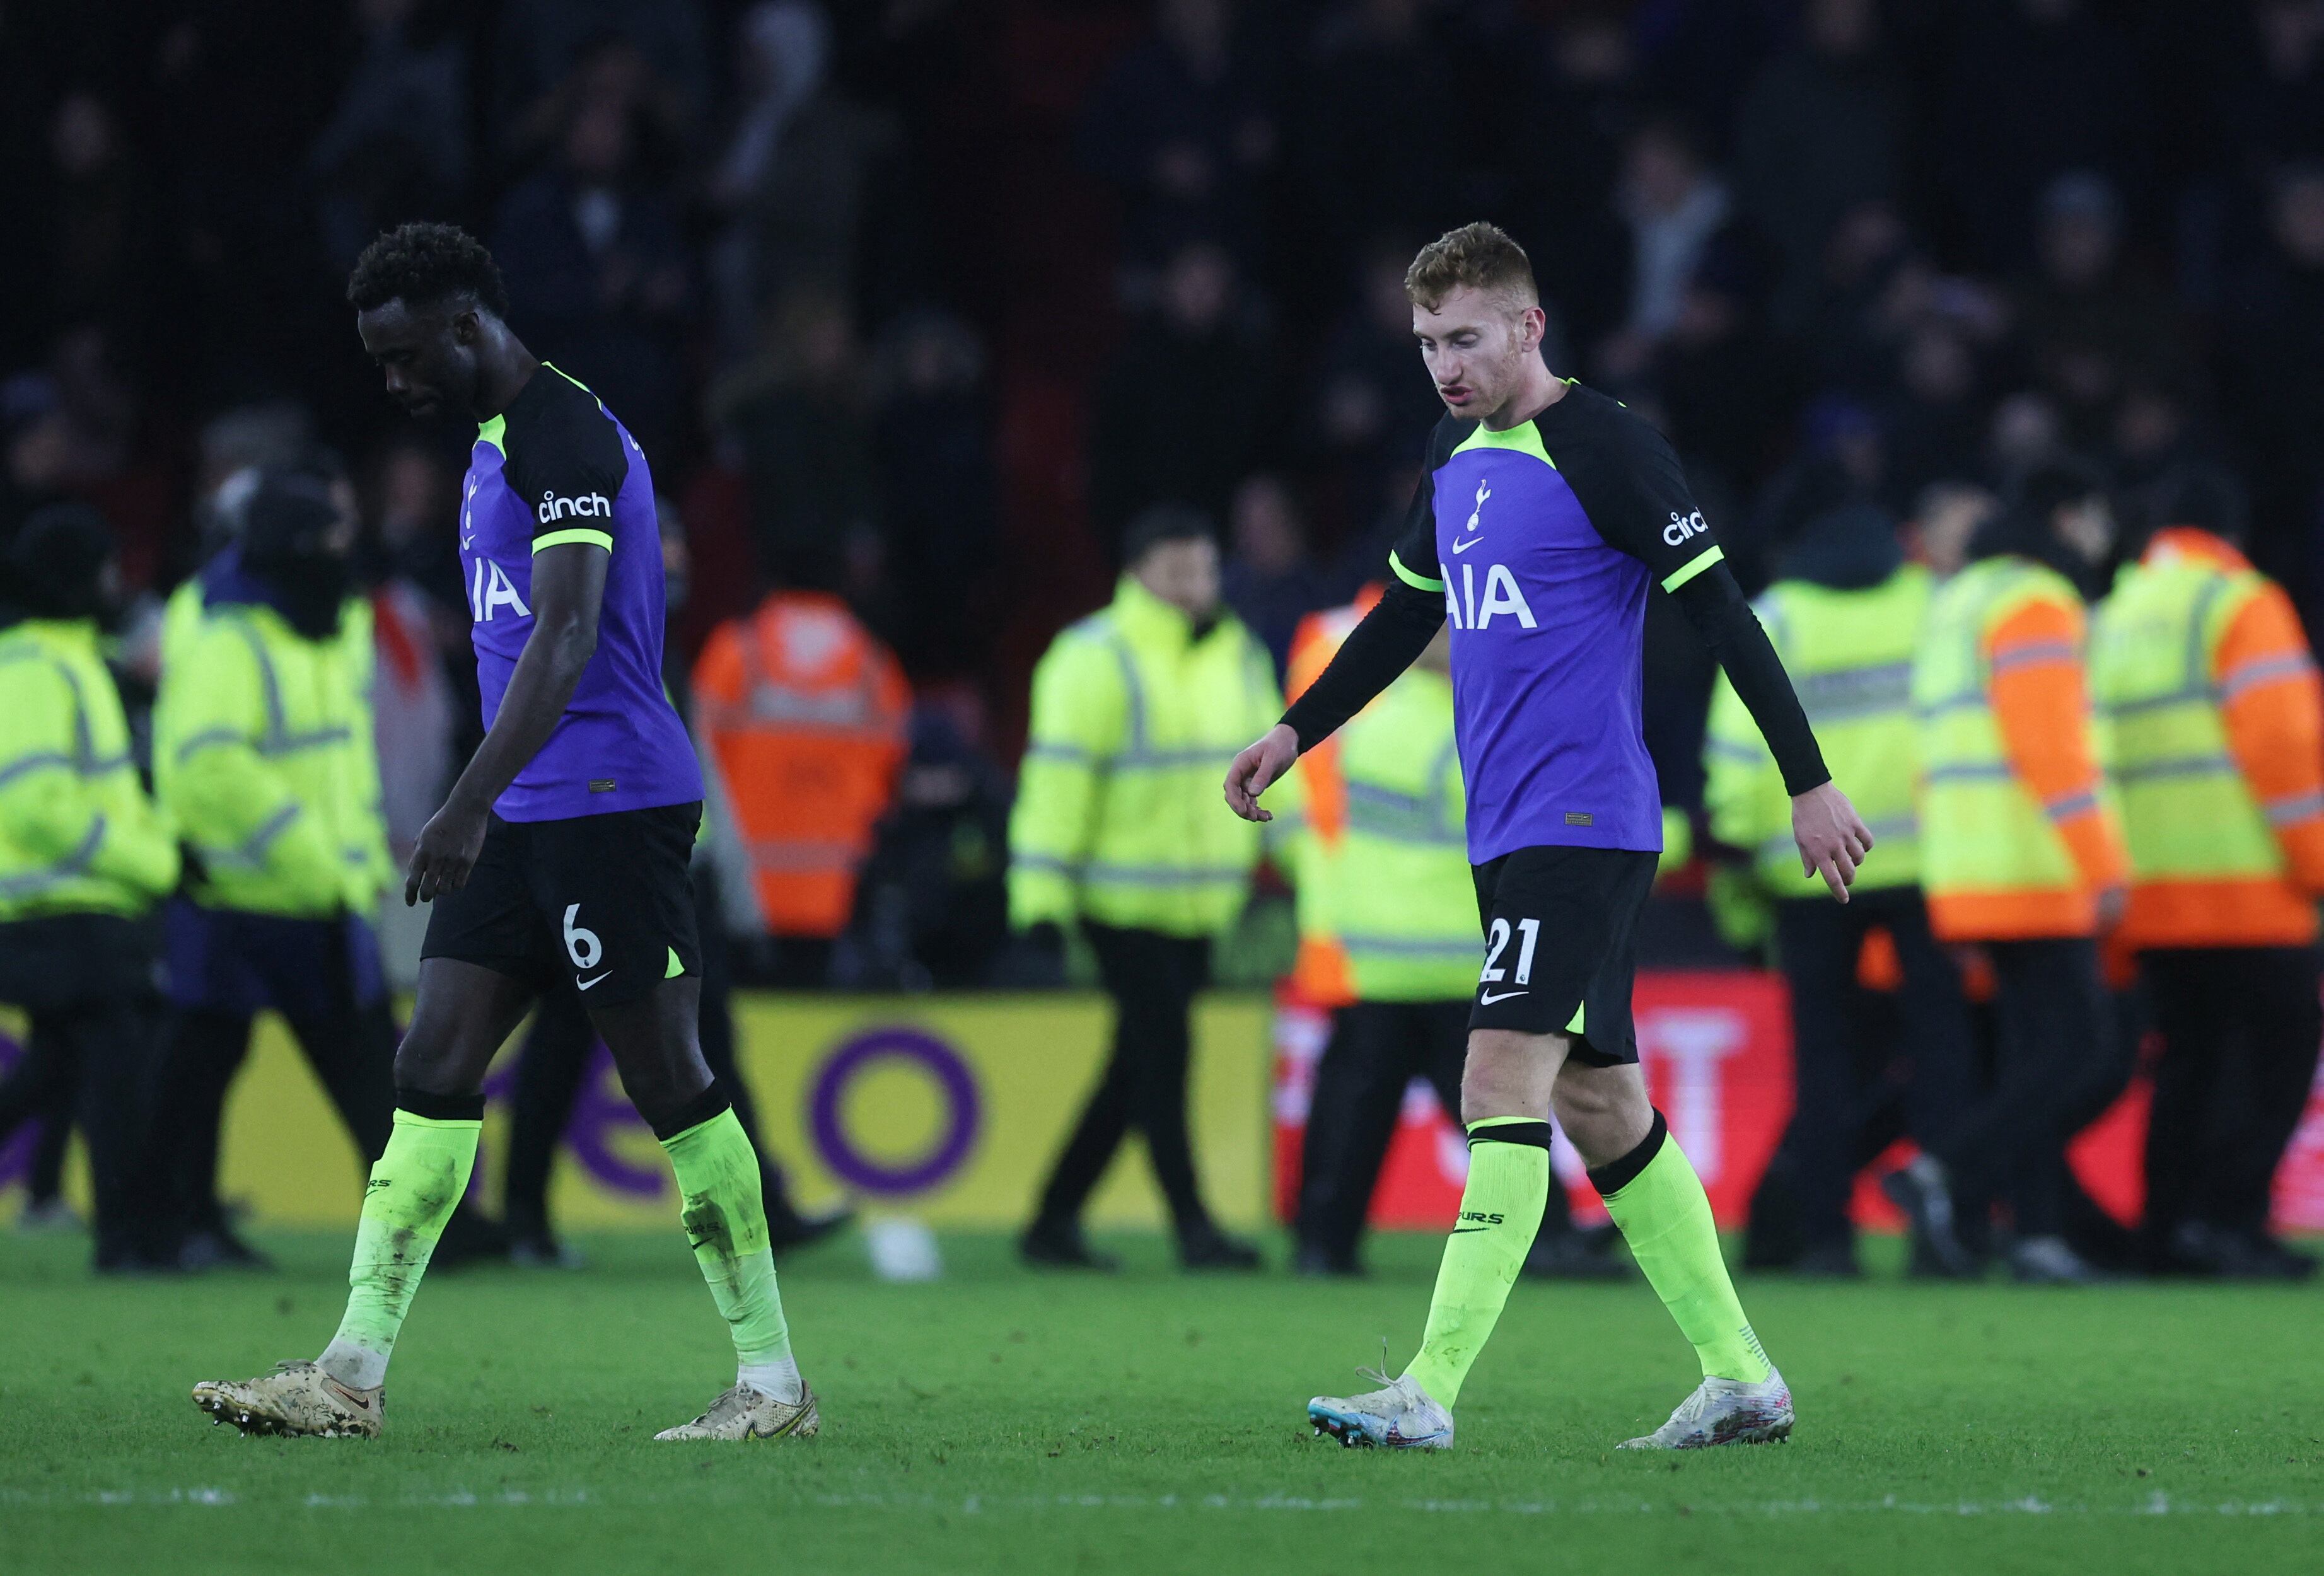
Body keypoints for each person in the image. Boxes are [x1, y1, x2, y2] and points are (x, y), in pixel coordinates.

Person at [1228, 224, 1871, 1451]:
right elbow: (1401, 613)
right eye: (1426, 343)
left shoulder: (1609, 448)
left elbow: (1723, 614)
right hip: (1511, 825)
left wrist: (1808, 781)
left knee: (1495, 1082)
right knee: (1600, 1102)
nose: (1444, 366)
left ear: (1529, 327)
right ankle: (1742, 1378)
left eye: (1465, 339)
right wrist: (1293, 730)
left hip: (1585, 815)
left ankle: (1427, 1388)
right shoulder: (1452, 455)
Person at [190, 222, 814, 1445]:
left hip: (608, 800)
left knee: (670, 1081)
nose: (393, 380)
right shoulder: (490, 444)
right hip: (530, 805)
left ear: (467, 325)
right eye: (379, 359)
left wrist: (465, 800)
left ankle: (773, 1383)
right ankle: (348, 1373)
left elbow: (568, 635)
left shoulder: (562, 435)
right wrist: (493, 802)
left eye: (405, 353)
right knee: (431, 1062)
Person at [141, 467, 457, 1273]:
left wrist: (353, 857)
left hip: (317, 893)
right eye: (328, 537)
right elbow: (209, 766)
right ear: (291, 545)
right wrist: (311, 851)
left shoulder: (327, 621)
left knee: (339, 1065)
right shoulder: (232, 633)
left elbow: (338, 760)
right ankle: (169, 1227)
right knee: (217, 1071)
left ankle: (414, 1224)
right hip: (237, 894)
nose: (342, 552)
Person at [1281, 597, 1619, 1280]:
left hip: (1376, 956)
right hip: (1451, 959)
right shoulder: (1471, 732)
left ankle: (1323, 1242)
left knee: (1358, 1111)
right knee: (1499, 1113)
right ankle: (1545, 1235)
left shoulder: (1369, 727)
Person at [1704, 501, 1972, 1277]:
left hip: (1810, 870)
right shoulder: (1930, 602)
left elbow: (1736, 743)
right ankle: (1943, 1236)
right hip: (1926, 861)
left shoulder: (1780, 616)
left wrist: (1739, 842)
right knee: (1943, 1054)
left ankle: (1824, 1239)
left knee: (1822, 1064)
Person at [1011, 505, 1278, 1272]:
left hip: (1201, 907)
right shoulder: (1093, 655)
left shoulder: (1237, 653)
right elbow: (1056, 784)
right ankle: (1193, 1227)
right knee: (1163, 1059)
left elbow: (1275, 772)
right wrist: (1040, 898)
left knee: (1134, 1069)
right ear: (1137, 574)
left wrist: (1296, 861)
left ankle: (1052, 1218)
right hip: (1118, 905)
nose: (1193, 586)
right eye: (1176, 571)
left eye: (1203, 569)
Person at [1899, 459, 2131, 1284]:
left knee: (2032, 1057)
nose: (2101, 537)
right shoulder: (2035, 600)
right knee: (2079, 1051)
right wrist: (2101, 863)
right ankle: (1942, 1170)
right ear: (2065, 518)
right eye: (2094, 518)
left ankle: (2036, 1234)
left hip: (1968, 868)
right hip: (2033, 867)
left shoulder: (1957, 598)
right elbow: (2049, 746)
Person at [2089, 466, 2324, 1280]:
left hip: (2146, 892)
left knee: (2187, 1061)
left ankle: (2166, 1229)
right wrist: (2316, 866)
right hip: (2246, 888)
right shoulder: (2237, 602)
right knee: (2274, 1053)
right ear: (2231, 534)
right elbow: (2283, 752)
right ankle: (2225, 1221)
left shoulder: (2111, 615)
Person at [0, 505, 178, 1270]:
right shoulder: (38, 666)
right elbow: (36, 805)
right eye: (106, 568)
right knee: (115, 1062)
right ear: (74, 577)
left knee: (60, 1069)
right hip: (61, 905)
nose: (117, 583)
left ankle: (131, 1235)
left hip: (79, 901)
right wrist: (149, 861)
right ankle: (126, 1240)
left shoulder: (67, 659)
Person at [690, 572, 911, 985]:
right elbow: (895, 773)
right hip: (839, 900)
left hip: (741, 897)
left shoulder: (736, 653)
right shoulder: (871, 663)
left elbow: (694, 764)